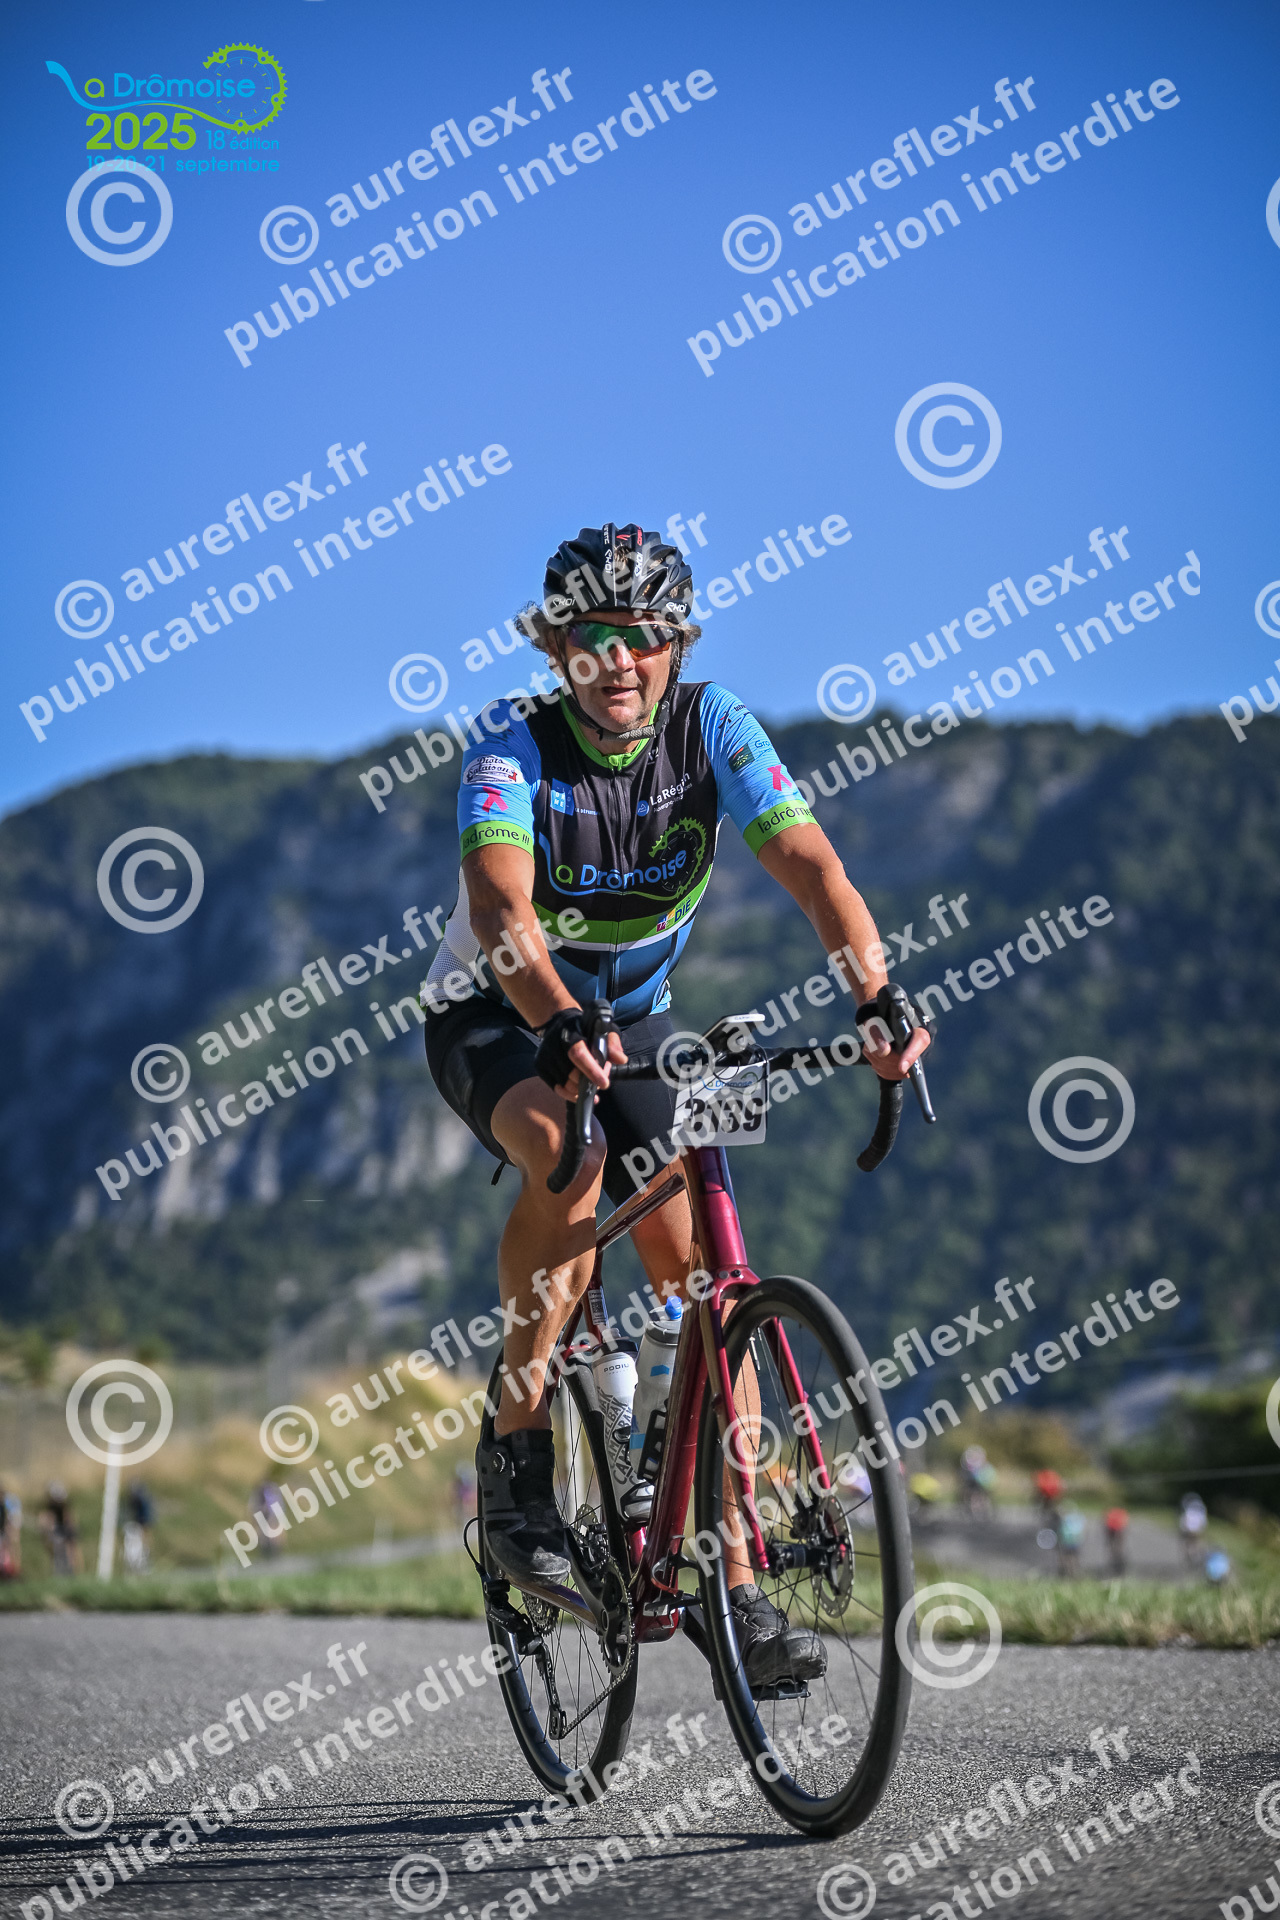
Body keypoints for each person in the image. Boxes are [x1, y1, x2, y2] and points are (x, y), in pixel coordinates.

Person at [422, 522, 931, 1691]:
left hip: (636, 1019)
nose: (620, 661)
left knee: (706, 1273)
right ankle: (517, 1463)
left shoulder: (715, 727)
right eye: (593, 638)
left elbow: (810, 864)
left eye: (643, 637)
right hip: (497, 1009)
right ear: (556, 647)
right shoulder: (510, 742)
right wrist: (556, 1017)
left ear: (676, 645)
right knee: (565, 1157)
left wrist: (875, 994)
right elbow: (500, 908)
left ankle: (731, 1581)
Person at [39, 1483, 80, 1575]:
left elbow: (69, 1520)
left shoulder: (64, 1508)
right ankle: (63, 1570)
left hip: (64, 1530)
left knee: (70, 1551)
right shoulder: (52, 1508)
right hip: (58, 1531)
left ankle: (72, 1569)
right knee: (58, 1552)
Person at [0, 1484, 21, 1578]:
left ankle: (12, 1571)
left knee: (9, 1549)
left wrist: (11, 1529)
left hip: (5, 1531)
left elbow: (10, 1518)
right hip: (3, 1531)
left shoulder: (6, 1505)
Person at [1103, 1505, 1129, 1576]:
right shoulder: (1121, 1513)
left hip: (1115, 1533)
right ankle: (1118, 1566)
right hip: (1117, 1533)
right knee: (1117, 1550)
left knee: (1115, 1550)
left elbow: (1106, 1524)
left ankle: (1118, 1566)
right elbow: (1125, 1523)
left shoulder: (1110, 1514)